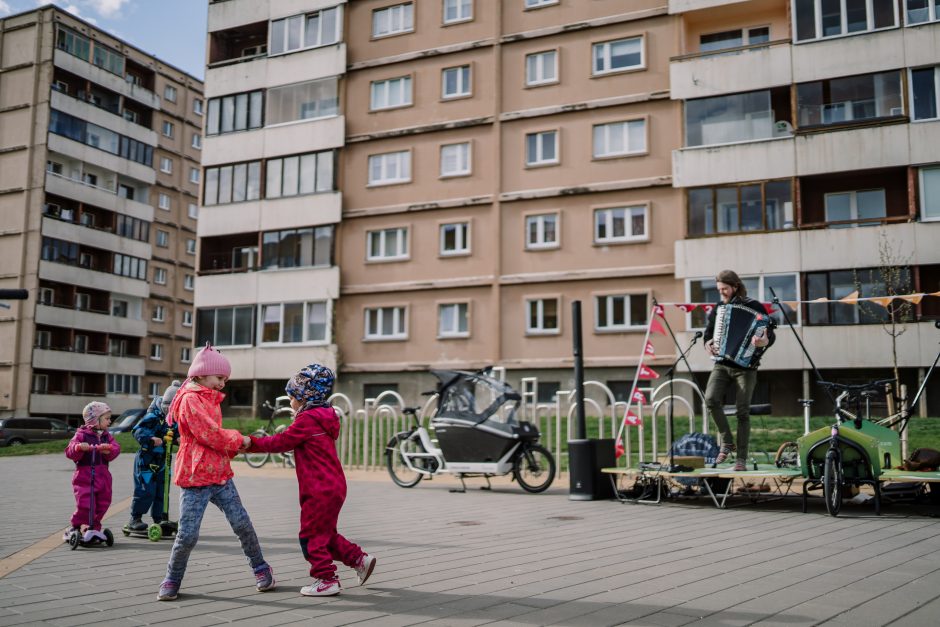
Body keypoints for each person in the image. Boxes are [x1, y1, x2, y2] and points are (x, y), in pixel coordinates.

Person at [157, 343, 274, 601]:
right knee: (188, 534)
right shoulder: (189, 399)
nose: (223, 383)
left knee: (242, 523)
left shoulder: (209, 397)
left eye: (225, 379)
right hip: (195, 476)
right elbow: (208, 433)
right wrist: (237, 440)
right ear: (200, 374)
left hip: (219, 475)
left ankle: (261, 567)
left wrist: (231, 449)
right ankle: (172, 578)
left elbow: (212, 439)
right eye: (220, 377)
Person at [247, 364, 375, 597]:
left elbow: (280, 442)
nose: (291, 403)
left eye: (292, 398)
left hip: (318, 490)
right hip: (333, 486)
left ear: (305, 397)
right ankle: (359, 559)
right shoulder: (324, 416)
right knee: (325, 534)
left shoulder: (306, 421)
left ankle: (326, 579)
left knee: (310, 536)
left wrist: (249, 444)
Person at [703, 270, 775, 471]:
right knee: (710, 399)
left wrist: (764, 341)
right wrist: (708, 342)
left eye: (724, 289)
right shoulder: (719, 308)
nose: (722, 293)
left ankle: (740, 459)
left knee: (742, 411)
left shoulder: (755, 307)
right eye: (719, 290)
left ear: (735, 286)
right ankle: (727, 441)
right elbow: (708, 334)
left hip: (746, 367)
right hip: (722, 364)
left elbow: (770, 334)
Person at [127, 380, 181, 533]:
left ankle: (160, 519)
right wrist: (150, 439)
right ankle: (135, 518)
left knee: (162, 491)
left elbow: (175, 434)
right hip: (147, 460)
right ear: (167, 405)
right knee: (146, 490)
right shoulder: (153, 416)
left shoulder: (173, 420)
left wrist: (178, 439)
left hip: (164, 460)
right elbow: (137, 431)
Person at [64, 402, 121, 538]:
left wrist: (109, 450)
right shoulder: (81, 435)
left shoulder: (107, 436)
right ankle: (75, 526)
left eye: (109, 418)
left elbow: (116, 448)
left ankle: (94, 527)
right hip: (84, 474)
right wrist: (78, 447)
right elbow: (70, 451)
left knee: (104, 502)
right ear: (95, 420)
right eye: (106, 418)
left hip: (103, 475)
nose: (109, 421)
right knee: (86, 503)